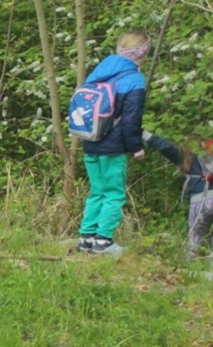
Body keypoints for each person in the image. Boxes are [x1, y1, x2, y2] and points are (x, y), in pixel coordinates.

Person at [78, 30, 150, 255]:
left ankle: (86, 238)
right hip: (113, 147)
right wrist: (136, 148)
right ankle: (103, 241)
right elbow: (131, 120)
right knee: (114, 194)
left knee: (97, 192)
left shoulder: (99, 72)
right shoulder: (134, 79)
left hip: (90, 141)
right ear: (143, 53)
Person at [141, 130, 213, 264]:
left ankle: (192, 266)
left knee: (195, 236)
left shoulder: (185, 157)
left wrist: (142, 133)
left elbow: (164, 146)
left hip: (199, 200)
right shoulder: (210, 153)